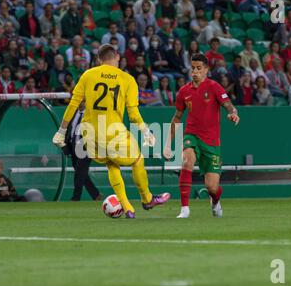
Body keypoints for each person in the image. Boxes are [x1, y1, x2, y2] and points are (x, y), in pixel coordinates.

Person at [53, 44, 171, 218]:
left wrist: (61, 131)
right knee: (137, 159)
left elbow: (73, 105)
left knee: (111, 163)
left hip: (90, 136)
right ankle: (147, 199)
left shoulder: (88, 75)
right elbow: (133, 114)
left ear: (99, 59)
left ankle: (127, 208)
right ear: (116, 56)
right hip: (113, 133)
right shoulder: (127, 79)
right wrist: (146, 131)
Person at [163, 53, 240, 219]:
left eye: (199, 68)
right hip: (192, 135)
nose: (195, 72)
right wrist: (168, 144)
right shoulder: (184, 91)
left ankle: (215, 201)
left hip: (212, 142)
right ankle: (184, 208)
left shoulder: (214, 87)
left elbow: (228, 105)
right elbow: (177, 117)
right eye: (193, 68)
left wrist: (233, 114)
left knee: (212, 187)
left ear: (206, 69)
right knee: (186, 159)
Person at [61, 101, 103, 201]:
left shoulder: (91, 115)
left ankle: (76, 198)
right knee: (81, 173)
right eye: (79, 100)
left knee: (79, 172)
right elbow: (68, 130)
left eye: (83, 101)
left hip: (86, 147)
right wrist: (65, 145)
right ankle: (96, 194)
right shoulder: (72, 113)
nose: (80, 103)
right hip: (73, 147)